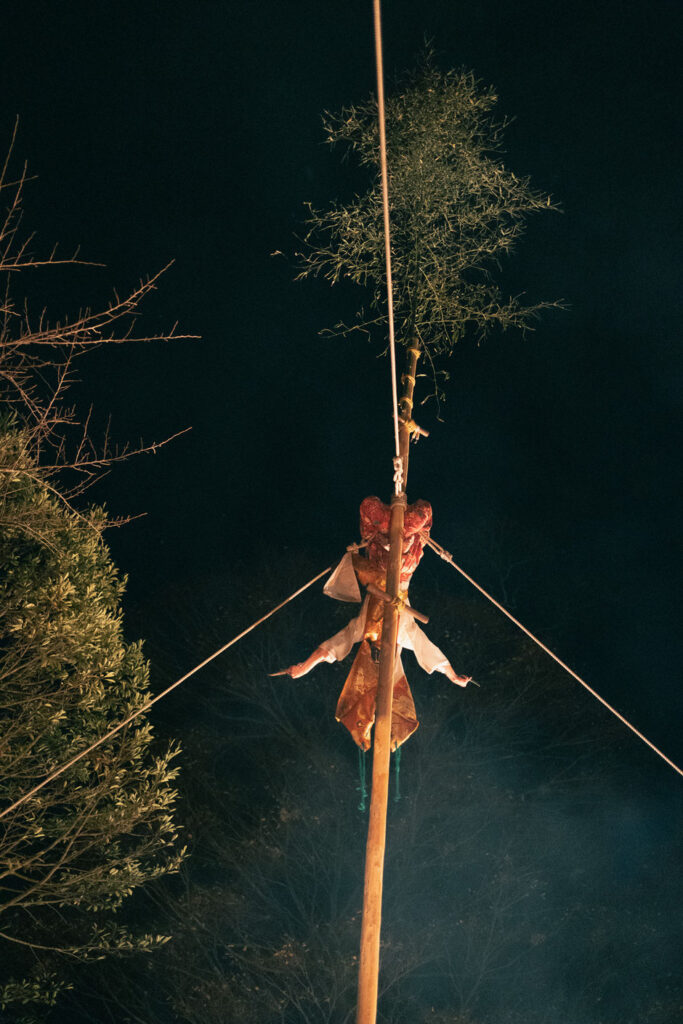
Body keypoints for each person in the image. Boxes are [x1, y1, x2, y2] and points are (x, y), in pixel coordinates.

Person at [276, 496, 471, 750]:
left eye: (376, 658)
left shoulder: (362, 630)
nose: (379, 655)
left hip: (379, 558)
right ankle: (400, 526)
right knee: (421, 515)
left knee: (369, 506)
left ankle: (391, 524)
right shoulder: (406, 635)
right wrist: (453, 676)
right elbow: (431, 653)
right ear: (395, 656)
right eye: (384, 659)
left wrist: (305, 667)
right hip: (403, 566)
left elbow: (331, 649)